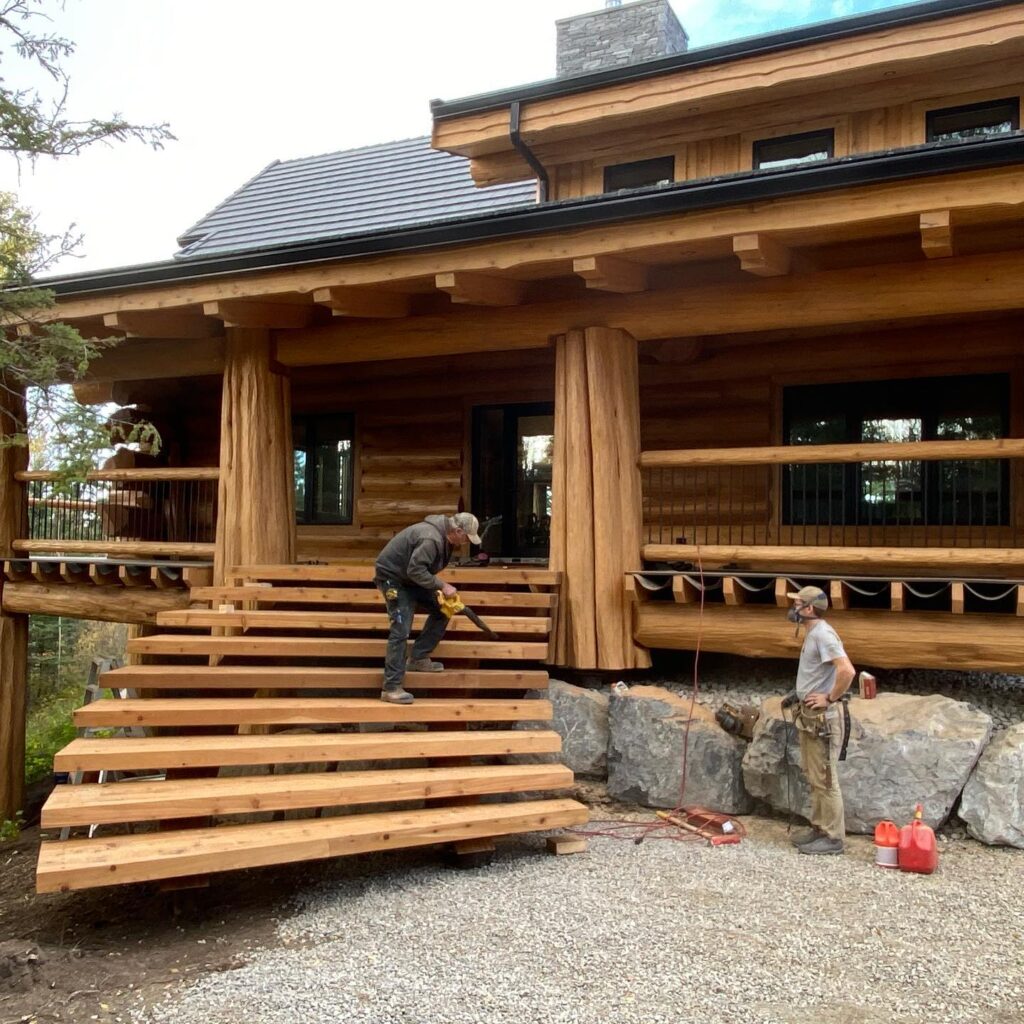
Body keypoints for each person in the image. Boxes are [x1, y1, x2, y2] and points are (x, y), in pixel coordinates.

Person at [373, 512, 482, 704]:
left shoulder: (444, 538)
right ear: (457, 531)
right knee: (401, 631)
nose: (466, 542)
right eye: (466, 537)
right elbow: (415, 570)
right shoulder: (430, 538)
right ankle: (391, 688)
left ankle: (418, 658)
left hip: (412, 579)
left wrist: (435, 587)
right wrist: (442, 586)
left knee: (442, 610)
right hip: (395, 580)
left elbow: (418, 572)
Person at [785, 585, 856, 856]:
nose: (794, 608)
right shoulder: (813, 633)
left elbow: (846, 670)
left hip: (822, 718)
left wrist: (830, 697)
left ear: (809, 608)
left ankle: (833, 836)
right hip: (808, 715)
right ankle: (819, 827)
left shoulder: (823, 634)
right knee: (814, 775)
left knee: (825, 777)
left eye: (798, 604)